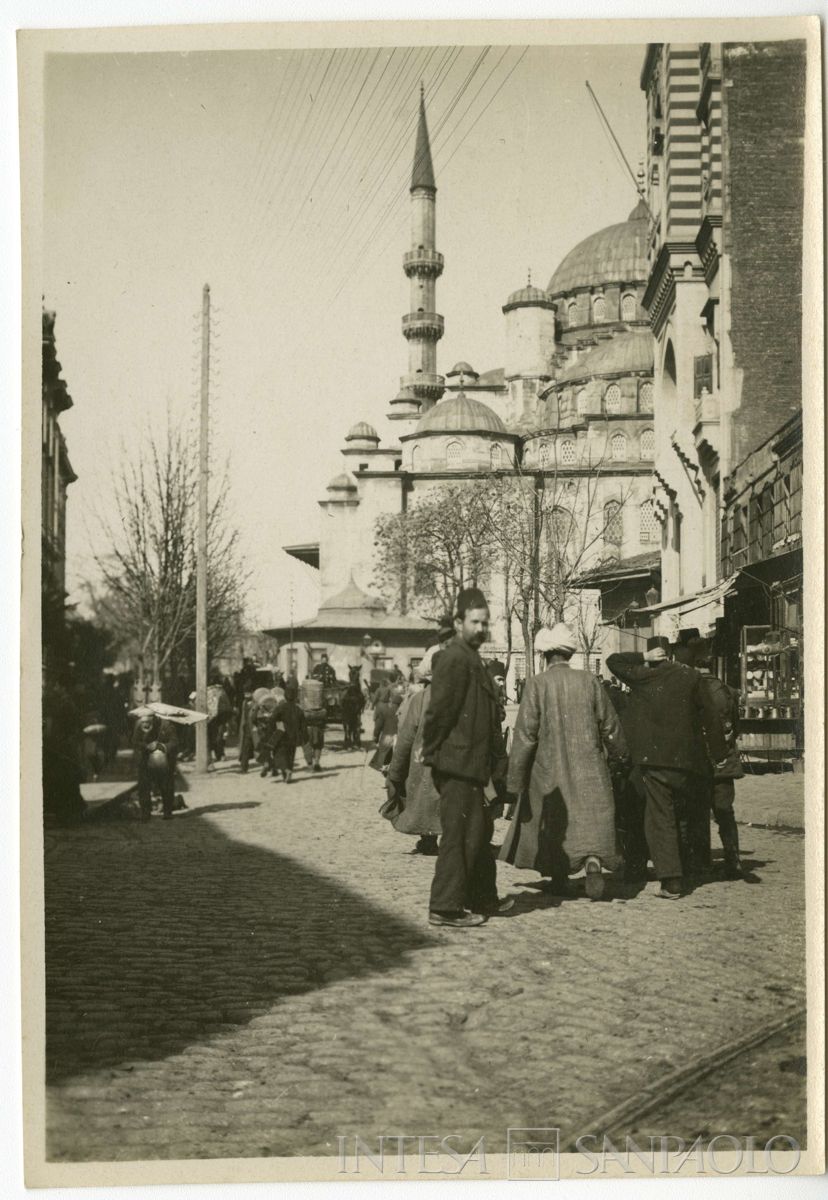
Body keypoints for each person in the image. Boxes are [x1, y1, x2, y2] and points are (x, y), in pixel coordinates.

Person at [499, 624, 628, 900]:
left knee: (557, 821)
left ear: (545, 655)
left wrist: (515, 780)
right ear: (569, 653)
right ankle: (593, 862)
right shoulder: (590, 681)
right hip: (590, 766)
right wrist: (621, 755)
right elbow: (610, 725)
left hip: (549, 769)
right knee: (591, 816)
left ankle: (559, 878)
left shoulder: (536, 684)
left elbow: (525, 735)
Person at [606, 637, 727, 898]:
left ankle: (671, 880)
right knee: (683, 816)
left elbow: (613, 661)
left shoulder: (643, 676)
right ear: (671, 653)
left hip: (653, 760)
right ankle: (690, 866)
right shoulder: (691, 676)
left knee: (660, 818)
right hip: (687, 760)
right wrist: (719, 753)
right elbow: (710, 715)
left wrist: (643, 657)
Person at [421, 587, 512, 927]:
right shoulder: (455, 658)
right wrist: (432, 753)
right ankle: (444, 907)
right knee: (459, 837)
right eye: (475, 622)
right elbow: (439, 712)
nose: (481, 629)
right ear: (459, 622)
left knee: (477, 833)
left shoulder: (471, 658)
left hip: (472, 764)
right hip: (457, 764)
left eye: (485, 623)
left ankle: (481, 897)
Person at [384, 646, 442, 855]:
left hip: (425, 759)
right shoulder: (466, 697)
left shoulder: (421, 699)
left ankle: (428, 839)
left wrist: (395, 771)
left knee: (425, 794)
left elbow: (406, 738)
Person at [696, 655, 746, 878]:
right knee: (724, 811)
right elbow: (736, 727)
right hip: (724, 760)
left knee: (698, 812)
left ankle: (701, 862)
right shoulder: (728, 691)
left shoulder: (692, 690)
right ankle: (733, 859)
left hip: (699, 761)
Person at [133, 711, 179, 821]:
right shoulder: (138, 725)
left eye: (148, 722)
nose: (145, 725)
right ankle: (145, 813)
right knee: (144, 786)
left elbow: (174, 742)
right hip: (145, 759)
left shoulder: (166, 725)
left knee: (166, 785)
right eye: (143, 722)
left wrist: (161, 746)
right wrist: (146, 746)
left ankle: (167, 811)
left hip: (164, 760)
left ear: (154, 719)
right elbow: (135, 741)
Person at [268, 681, 308, 784]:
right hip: (294, 736)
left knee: (279, 754)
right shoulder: (298, 710)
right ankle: (287, 773)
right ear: (295, 697)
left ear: (285, 697)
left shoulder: (280, 708)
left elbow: (272, 720)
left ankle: (286, 770)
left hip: (282, 735)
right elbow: (303, 725)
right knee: (290, 755)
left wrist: (272, 731)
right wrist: (305, 737)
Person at [237, 685, 256, 773]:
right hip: (247, 728)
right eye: (245, 693)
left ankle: (270, 764)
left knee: (259, 747)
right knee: (245, 747)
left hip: (255, 728)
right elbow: (243, 716)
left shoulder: (256, 702)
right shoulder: (244, 702)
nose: (246, 695)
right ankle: (244, 767)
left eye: (248, 693)